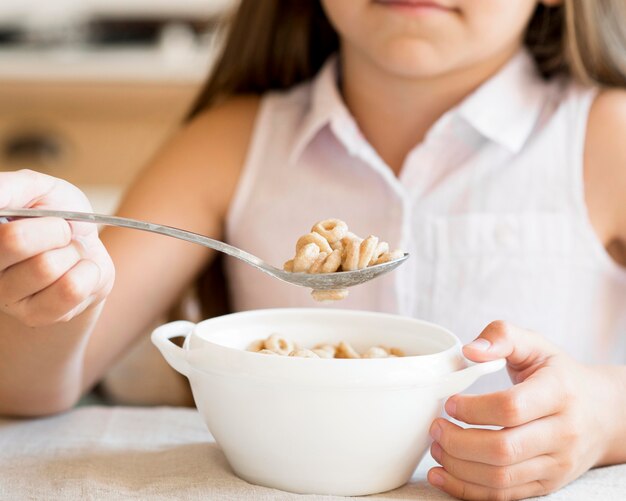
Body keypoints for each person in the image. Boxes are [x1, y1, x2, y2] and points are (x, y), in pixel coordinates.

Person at [1, 0, 626, 498]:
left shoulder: (609, 137)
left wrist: (603, 417)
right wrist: (52, 283)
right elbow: (28, 391)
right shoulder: (225, 143)